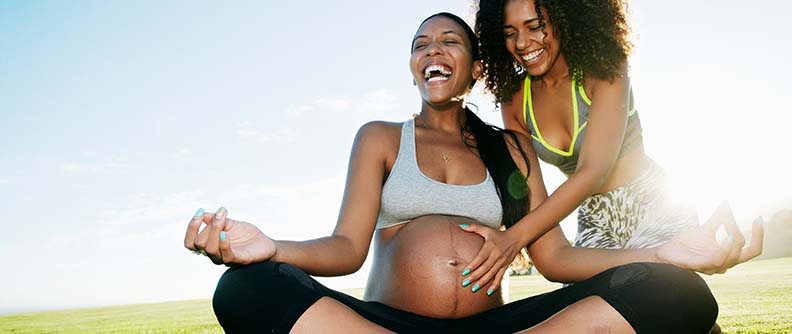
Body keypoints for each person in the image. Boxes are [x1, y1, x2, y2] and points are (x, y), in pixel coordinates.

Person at [184, 12, 762, 333]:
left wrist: (662, 256)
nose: (432, 48)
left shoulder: (512, 147)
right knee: (244, 288)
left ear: (475, 67)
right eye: (420, 43)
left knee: (677, 294)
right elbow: (344, 250)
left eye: (449, 40)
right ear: (414, 66)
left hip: (500, 330)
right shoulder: (382, 138)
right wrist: (270, 248)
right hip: (387, 326)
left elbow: (556, 260)